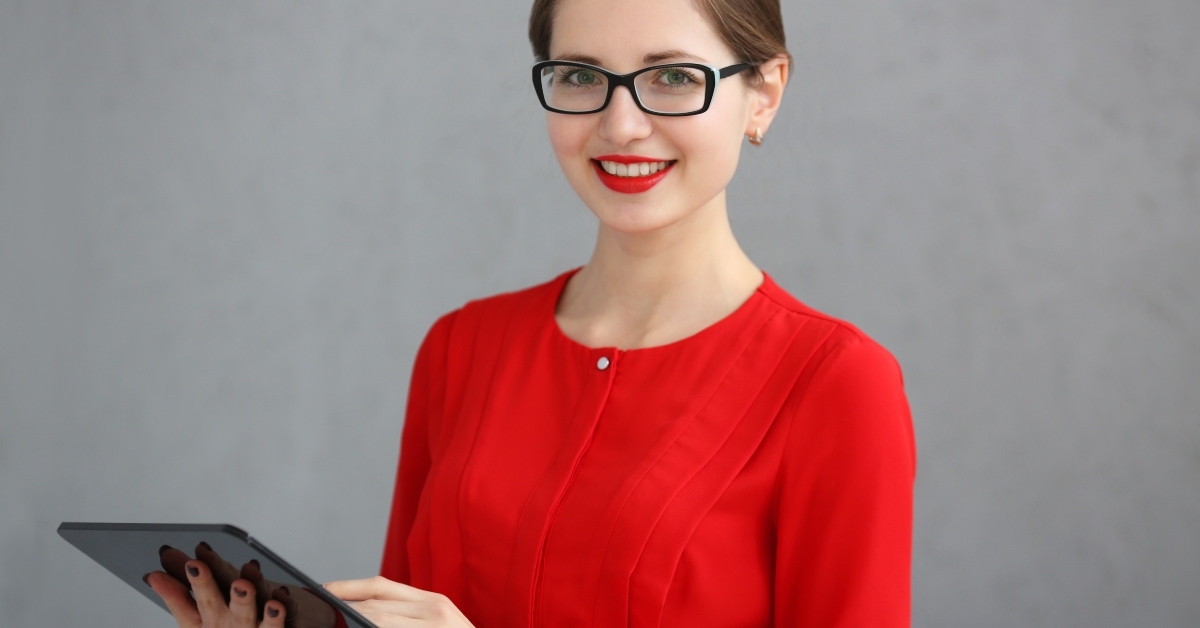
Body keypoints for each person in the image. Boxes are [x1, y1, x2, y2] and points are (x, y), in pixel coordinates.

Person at [145, 0, 916, 625]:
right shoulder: (461, 348)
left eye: (674, 78)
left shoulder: (836, 385)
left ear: (765, 93)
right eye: (582, 75)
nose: (620, 126)